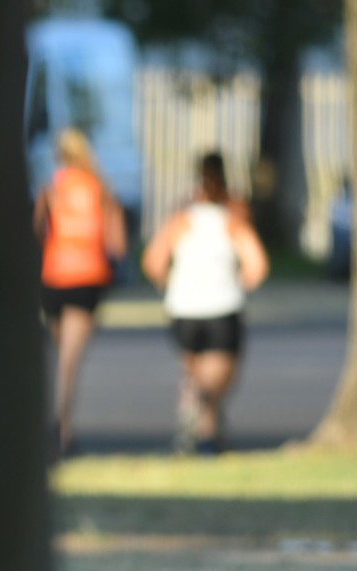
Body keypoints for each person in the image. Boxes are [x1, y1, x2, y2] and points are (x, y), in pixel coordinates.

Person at [141, 151, 269, 455]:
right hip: (221, 308)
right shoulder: (234, 219)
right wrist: (237, 283)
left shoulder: (181, 219)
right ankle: (207, 433)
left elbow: (153, 262)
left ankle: (199, 419)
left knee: (196, 373)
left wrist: (171, 283)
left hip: (184, 309)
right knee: (219, 378)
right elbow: (257, 266)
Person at [33, 127, 127, 459]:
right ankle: (61, 428)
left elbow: (38, 232)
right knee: (69, 361)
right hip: (88, 276)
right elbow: (117, 242)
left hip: (54, 276)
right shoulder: (100, 187)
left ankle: (58, 424)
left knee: (61, 357)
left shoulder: (51, 187)